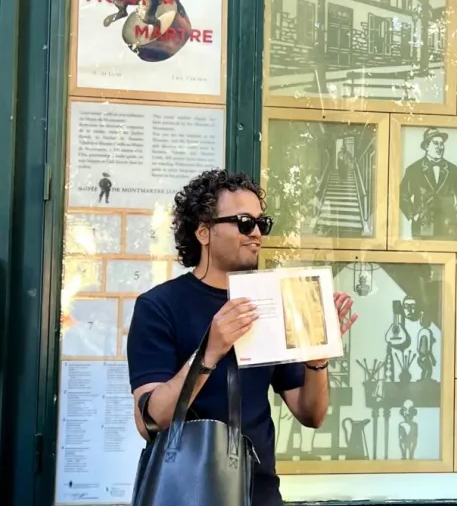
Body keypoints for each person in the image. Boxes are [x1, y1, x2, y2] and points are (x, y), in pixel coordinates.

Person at [126, 169, 359, 506]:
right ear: (203, 232)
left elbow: (312, 414)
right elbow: (151, 420)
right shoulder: (158, 306)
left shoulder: (271, 300)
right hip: (188, 491)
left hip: (259, 493)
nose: (256, 234)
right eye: (245, 222)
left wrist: (317, 358)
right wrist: (210, 351)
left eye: (262, 224)